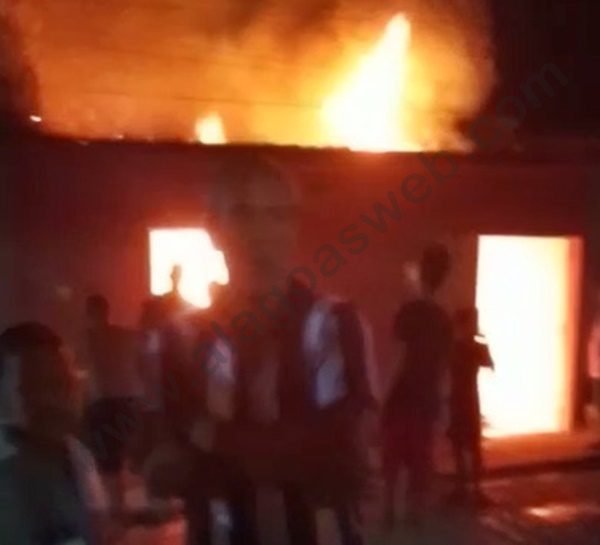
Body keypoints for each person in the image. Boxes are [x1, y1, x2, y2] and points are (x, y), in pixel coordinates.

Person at [143, 153, 376, 545]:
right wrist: (293, 451)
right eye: (243, 214)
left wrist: (209, 437)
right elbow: (160, 471)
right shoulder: (179, 337)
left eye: (277, 215)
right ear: (213, 228)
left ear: (294, 226)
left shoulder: (334, 324)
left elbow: (345, 467)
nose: (261, 233)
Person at [0, 322, 111, 545]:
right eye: (32, 385)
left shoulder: (77, 456)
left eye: (62, 383)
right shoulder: (10, 470)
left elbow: (97, 533)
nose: (52, 400)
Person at [382, 244, 453, 527]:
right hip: (427, 398)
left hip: (402, 396)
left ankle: (390, 510)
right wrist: (442, 400)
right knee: (420, 458)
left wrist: (382, 395)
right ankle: (416, 514)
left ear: (421, 273)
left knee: (393, 456)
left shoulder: (408, 312)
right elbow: (444, 366)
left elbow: (397, 357)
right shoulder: (444, 318)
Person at [81, 295, 141, 516]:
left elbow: (88, 373)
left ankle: (116, 508)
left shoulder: (89, 339)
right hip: (119, 401)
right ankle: (118, 506)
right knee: (114, 458)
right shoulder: (121, 336)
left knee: (109, 461)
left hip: (106, 403)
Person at [447, 307, 493, 505]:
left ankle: (471, 487)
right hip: (462, 398)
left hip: (465, 398)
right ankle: (467, 487)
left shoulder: (467, 347)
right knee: (462, 444)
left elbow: (488, 363)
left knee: (468, 445)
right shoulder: (459, 347)